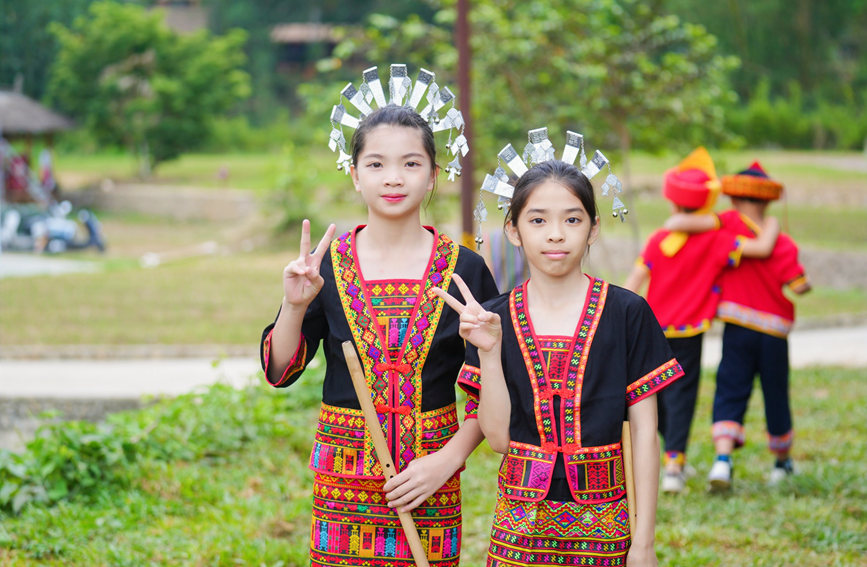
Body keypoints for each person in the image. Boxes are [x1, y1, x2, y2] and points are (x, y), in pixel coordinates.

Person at [259, 99, 498, 564]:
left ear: (432, 175)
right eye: (376, 164)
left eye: (411, 163)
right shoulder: (327, 264)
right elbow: (280, 369)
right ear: (354, 174)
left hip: (430, 475)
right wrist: (295, 303)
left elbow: (493, 384)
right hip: (343, 477)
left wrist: (446, 462)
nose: (393, 177)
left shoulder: (465, 269)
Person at [436, 150, 685, 566]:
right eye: (538, 220)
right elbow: (498, 439)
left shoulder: (627, 313)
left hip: (606, 525)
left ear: (593, 229)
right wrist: (491, 351)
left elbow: (645, 432)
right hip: (519, 527)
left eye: (572, 219)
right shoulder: (492, 320)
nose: (556, 234)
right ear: (513, 230)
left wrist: (643, 543)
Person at [623, 147, 780, 494]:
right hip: (689, 333)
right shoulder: (717, 241)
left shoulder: (659, 240)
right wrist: (772, 224)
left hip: (652, 330)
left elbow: (632, 285)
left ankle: (668, 458)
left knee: (650, 392)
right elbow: (763, 248)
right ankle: (674, 466)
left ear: (673, 203)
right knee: (682, 394)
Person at [664, 162, 811, 491]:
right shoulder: (782, 243)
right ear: (766, 202)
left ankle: (723, 461)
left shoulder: (725, 229)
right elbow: (799, 285)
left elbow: (677, 222)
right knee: (775, 394)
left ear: (733, 199)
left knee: (730, 390)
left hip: (736, 329)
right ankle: (781, 463)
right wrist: (772, 229)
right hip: (773, 334)